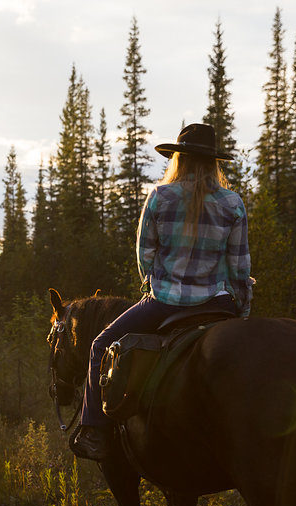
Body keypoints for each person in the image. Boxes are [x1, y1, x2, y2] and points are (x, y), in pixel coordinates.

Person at [73, 123, 253, 462]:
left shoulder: (160, 196)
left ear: (178, 160)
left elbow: (146, 256)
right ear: (213, 162)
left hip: (166, 302)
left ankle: (94, 430)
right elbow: (240, 268)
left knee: (99, 345)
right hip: (218, 304)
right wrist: (241, 312)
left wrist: (153, 287)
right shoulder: (232, 203)